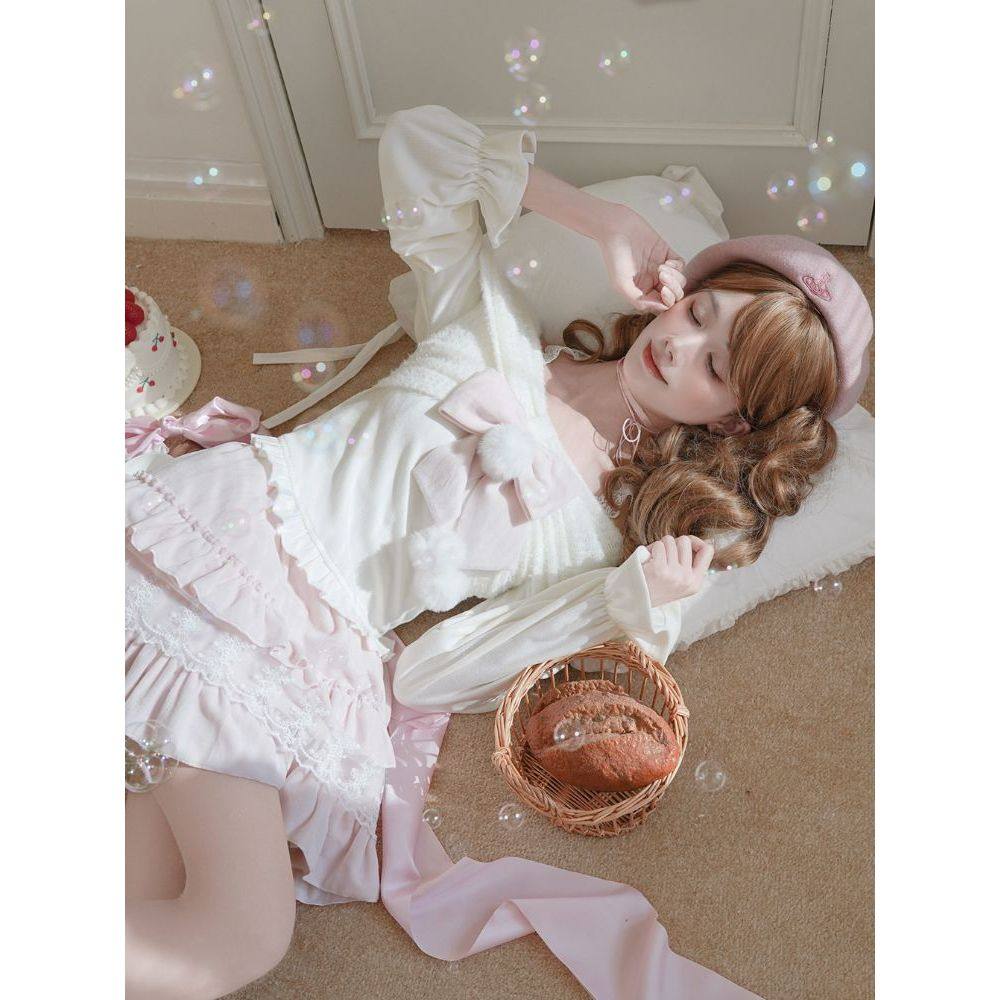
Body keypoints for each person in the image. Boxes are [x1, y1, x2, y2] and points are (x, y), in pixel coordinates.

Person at [125, 105, 872, 998]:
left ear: (735, 424)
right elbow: (418, 144)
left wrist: (623, 603)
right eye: (697, 311)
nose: (679, 344)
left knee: (173, 903)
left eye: (714, 366)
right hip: (213, 540)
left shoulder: (599, 540)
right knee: (233, 937)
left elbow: (430, 673)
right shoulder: (489, 325)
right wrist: (604, 221)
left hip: (301, 649)